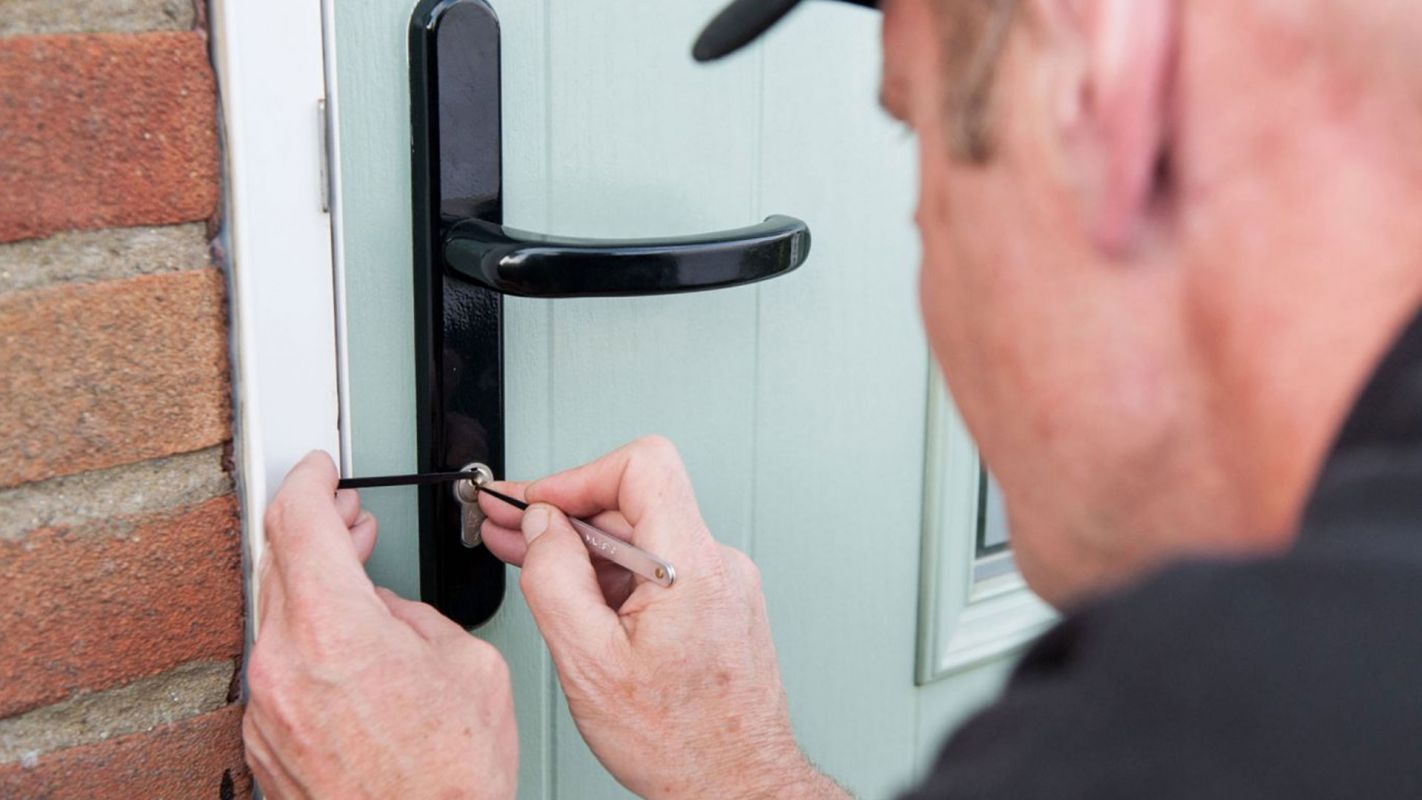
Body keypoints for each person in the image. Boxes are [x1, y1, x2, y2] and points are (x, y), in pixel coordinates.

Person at [242, 0, 1422, 796]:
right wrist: (733, 763)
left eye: (916, 134)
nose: (919, 231)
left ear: (1101, 91)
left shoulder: (1222, 720)